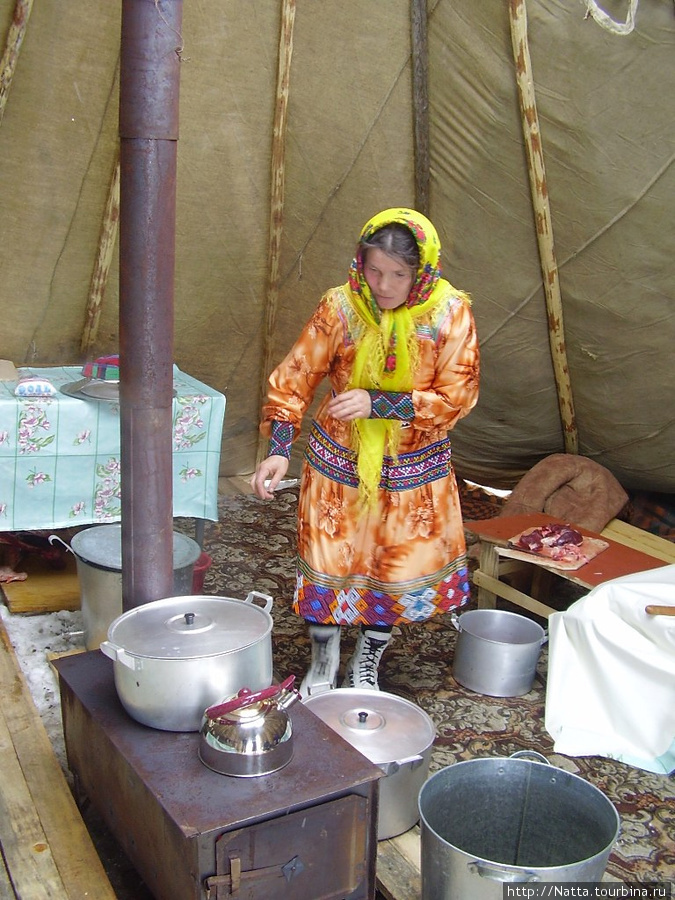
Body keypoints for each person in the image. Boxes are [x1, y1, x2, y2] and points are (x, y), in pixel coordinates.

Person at [251, 207, 480, 697]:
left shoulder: (450, 312)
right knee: (330, 564)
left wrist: (381, 403)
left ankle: (367, 660)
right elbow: (294, 380)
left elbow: (458, 396)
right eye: (374, 270)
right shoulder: (339, 307)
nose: (384, 284)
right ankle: (323, 660)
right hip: (338, 463)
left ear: (423, 271)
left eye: (399, 274)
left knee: (388, 570)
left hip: (414, 470)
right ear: (360, 261)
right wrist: (278, 449)